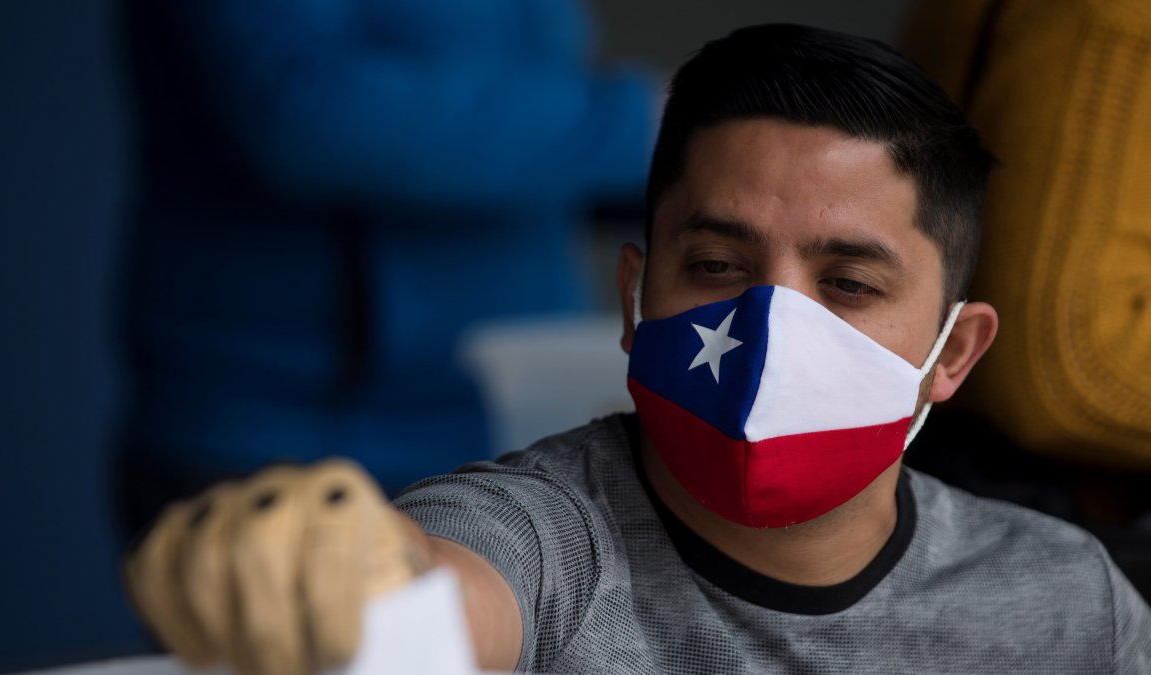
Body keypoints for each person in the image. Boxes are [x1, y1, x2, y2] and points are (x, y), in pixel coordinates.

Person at [123, 24, 1151, 674]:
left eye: (847, 285)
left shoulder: (1070, 603)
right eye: (714, 265)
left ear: (953, 351)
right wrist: (349, 586)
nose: (769, 334)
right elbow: (449, 586)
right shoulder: (546, 537)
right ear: (634, 297)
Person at [116, 0, 657, 534]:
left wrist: (691, 174)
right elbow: (303, 106)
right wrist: (648, 126)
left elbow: (530, 129)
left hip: (518, 433)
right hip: (295, 447)